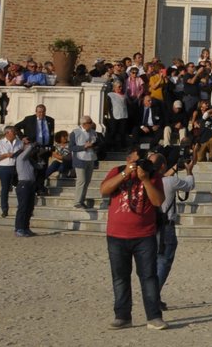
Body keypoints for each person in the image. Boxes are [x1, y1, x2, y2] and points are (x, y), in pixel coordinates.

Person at [99, 151, 166, 329]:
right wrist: (125, 174)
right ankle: (122, 316)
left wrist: (144, 179)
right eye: (135, 160)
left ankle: (153, 317)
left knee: (148, 277)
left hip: (144, 235)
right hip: (116, 235)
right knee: (120, 277)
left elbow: (158, 201)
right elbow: (104, 190)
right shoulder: (117, 171)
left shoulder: (152, 176)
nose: (139, 163)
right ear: (128, 159)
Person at [154, 150, 195, 309]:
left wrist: (173, 169)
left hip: (150, 225)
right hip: (166, 226)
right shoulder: (170, 181)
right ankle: (153, 295)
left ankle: (153, 295)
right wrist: (189, 171)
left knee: (153, 261)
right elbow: (190, 185)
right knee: (164, 260)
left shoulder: (149, 180)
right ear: (163, 166)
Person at [11, 134, 39, 236]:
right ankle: (19, 229)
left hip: (30, 184)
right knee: (23, 207)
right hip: (23, 185)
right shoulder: (20, 157)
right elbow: (29, 148)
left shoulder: (29, 160)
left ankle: (26, 228)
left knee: (30, 207)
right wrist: (33, 142)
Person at [71, 116, 102, 208]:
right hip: (80, 159)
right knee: (81, 180)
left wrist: (94, 146)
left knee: (87, 181)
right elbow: (71, 147)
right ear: (84, 124)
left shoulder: (93, 133)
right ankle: (77, 201)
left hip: (91, 158)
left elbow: (98, 144)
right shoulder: (75, 133)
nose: (91, 123)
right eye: (89, 122)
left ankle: (82, 200)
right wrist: (83, 147)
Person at [0, 125, 19, 218]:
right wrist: (6, 155)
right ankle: (5, 209)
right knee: (5, 189)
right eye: (13, 132)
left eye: (15, 132)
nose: (15, 134)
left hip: (17, 167)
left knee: (20, 187)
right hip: (5, 168)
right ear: (7, 133)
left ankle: (22, 207)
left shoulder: (18, 143)